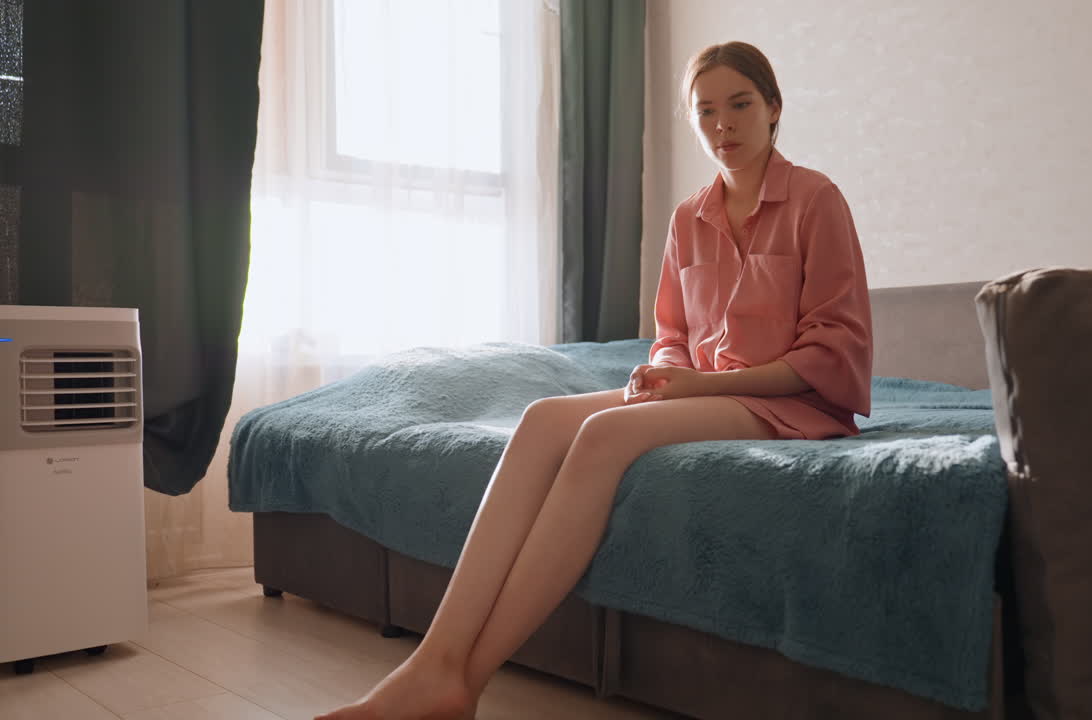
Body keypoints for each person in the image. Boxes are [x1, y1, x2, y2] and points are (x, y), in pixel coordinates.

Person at [318, 40, 872, 720]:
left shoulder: (817, 200)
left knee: (605, 435)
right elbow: (672, 334)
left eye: (740, 105)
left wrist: (696, 387)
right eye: (705, 111)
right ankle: (434, 660)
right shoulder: (687, 218)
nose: (723, 124)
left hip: (790, 404)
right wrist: (668, 374)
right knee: (545, 416)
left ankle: (466, 679)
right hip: (704, 390)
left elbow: (833, 349)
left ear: (774, 108)